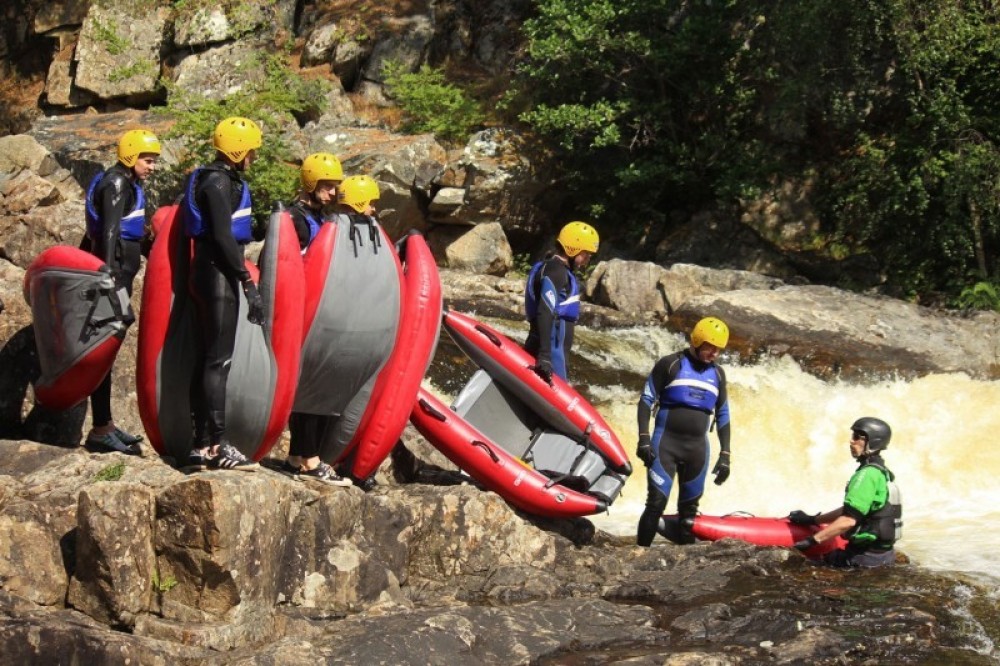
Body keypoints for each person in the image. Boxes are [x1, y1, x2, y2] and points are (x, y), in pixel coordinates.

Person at [184, 116, 264, 471]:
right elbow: (221, 236)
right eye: (251, 152)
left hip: (211, 272)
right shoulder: (217, 181)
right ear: (237, 150)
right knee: (218, 361)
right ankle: (216, 444)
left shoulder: (217, 179)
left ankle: (201, 445)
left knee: (208, 358)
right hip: (215, 275)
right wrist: (246, 280)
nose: (253, 159)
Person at [81, 128, 161, 455]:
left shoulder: (128, 183)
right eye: (147, 159)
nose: (152, 166)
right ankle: (100, 430)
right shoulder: (115, 183)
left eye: (154, 160)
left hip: (118, 280)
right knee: (104, 349)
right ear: (129, 155)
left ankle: (107, 425)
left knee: (110, 350)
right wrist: (109, 278)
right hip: (111, 281)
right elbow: (110, 232)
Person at [279, 153, 351, 486]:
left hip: (324, 311)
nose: (333, 193)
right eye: (326, 186)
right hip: (304, 312)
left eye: (335, 186)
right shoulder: (293, 218)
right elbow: (281, 264)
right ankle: (309, 457)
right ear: (310, 183)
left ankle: (298, 455)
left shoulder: (324, 220)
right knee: (310, 386)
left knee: (316, 383)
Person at [635, 316, 732, 546]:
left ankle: (685, 567)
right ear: (697, 341)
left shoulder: (718, 375)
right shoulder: (671, 364)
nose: (714, 354)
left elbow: (723, 415)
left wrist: (726, 454)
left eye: (718, 349)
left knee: (689, 514)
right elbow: (646, 400)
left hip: (697, 451)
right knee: (656, 503)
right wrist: (644, 439)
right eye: (710, 347)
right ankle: (638, 554)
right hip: (665, 445)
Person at [788, 417, 902, 567]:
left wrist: (811, 541)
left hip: (863, 558)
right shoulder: (882, 473)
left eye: (856, 437)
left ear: (872, 442)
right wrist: (813, 520)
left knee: (799, 567)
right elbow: (852, 511)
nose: (851, 441)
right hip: (884, 557)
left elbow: (848, 521)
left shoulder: (867, 475)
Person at [523, 221, 599, 383]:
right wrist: (544, 357)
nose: (586, 261)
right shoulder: (557, 271)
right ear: (573, 249)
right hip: (552, 356)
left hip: (543, 349)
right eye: (586, 255)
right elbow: (545, 310)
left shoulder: (553, 268)